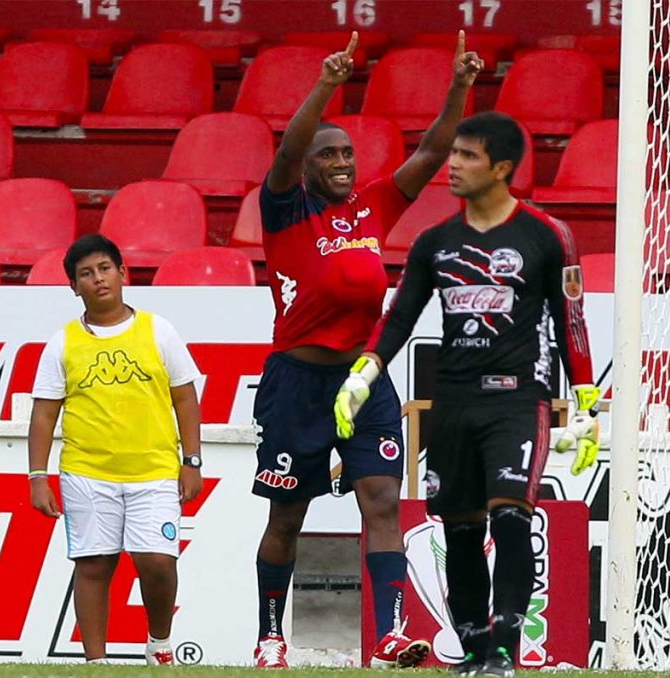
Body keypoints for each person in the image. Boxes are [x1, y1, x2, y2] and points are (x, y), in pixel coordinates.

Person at [333, 111, 600, 678]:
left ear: (502, 168)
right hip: (451, 402)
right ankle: (473, 649)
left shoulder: (548, 236)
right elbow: (400, 315)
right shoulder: (435, 242)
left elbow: (570, 318)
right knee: (459, 529)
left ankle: (505, 647)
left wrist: (586, 399)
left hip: (517, 400)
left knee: (510, 518)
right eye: (452, 153)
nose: (452, 165)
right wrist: (366, 371)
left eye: (468, 156)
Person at [251, 30, 483, 670]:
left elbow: (435, 150)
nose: (342, 162)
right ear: (308, 167)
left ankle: (389, 632)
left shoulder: (372, 206)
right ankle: (272, 635)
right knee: (288, 515)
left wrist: (459, 84)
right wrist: (327, 84)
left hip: (363, 377)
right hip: (297, 380)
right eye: (329, 155)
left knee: (381, 500)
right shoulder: (285, 210)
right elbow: (289, 149)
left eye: (348, 153)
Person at [27, 234, 203, 666]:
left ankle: (159, 643)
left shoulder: (158, 330)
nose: (98, 279)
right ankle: (96, 664)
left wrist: (192, 461)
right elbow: (44, 415)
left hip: (155, 472)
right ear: (73, 287)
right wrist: (37, 476)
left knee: (157, 562)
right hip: (86, 472)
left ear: (123, 273)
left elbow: (185, 397)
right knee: (93, 566)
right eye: (85, 274)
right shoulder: (62, 343)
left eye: (105, 268)